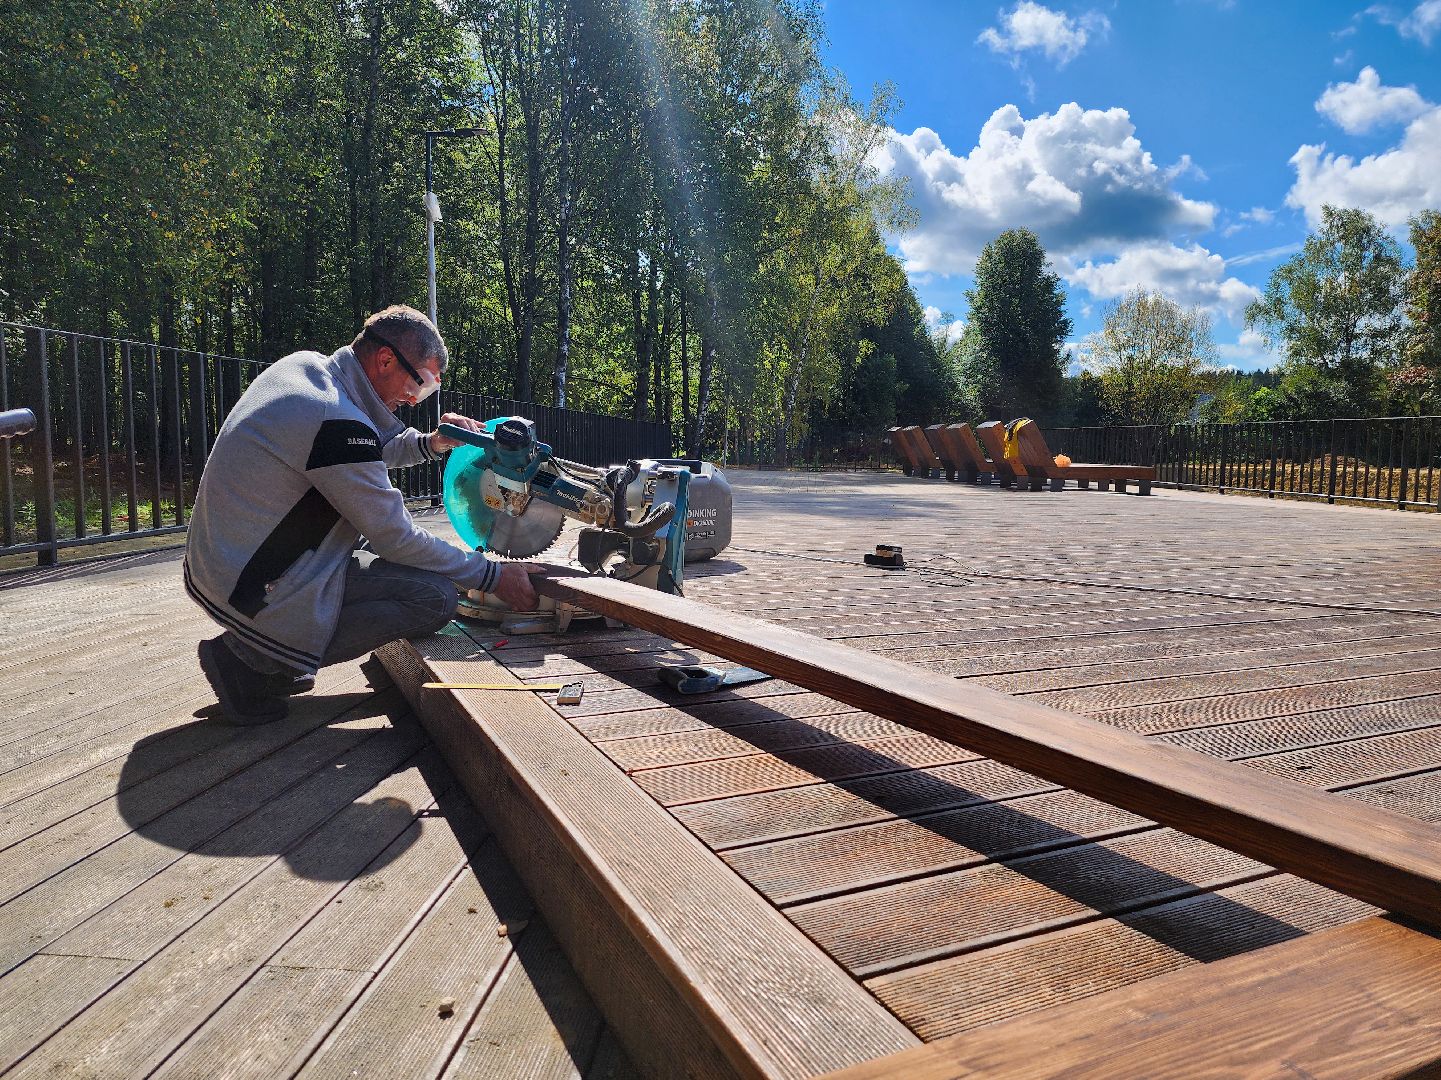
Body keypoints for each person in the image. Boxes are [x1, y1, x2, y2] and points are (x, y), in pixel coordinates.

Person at [185, 305, 544, 725]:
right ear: (386, 359)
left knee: (412, 571)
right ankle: (249, 660)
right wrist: (492, 576)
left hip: (224, 562)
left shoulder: (307, 371)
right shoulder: (335, 422)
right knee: (435, 597)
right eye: (421, 383)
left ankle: (274, 654)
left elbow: (370, 444)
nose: (414, 399)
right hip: (252, 587)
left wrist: (433, 442)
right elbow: (396, 536)